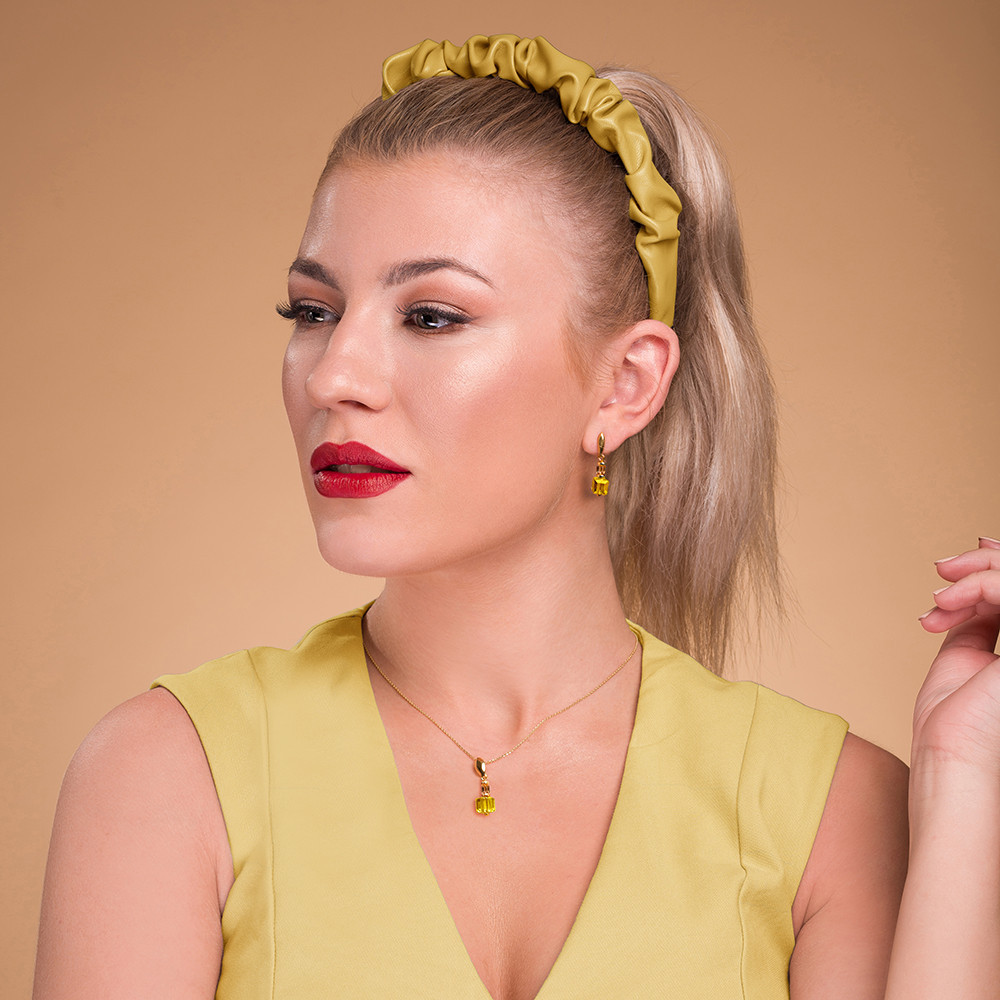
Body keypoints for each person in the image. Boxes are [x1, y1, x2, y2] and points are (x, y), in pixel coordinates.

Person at [32, 34, 999, 1000]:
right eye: (312, 312)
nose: (333, 377)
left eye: (432, 316)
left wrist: (963, 777)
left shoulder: (833, 810)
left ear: (625, 385)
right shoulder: (168, 774)